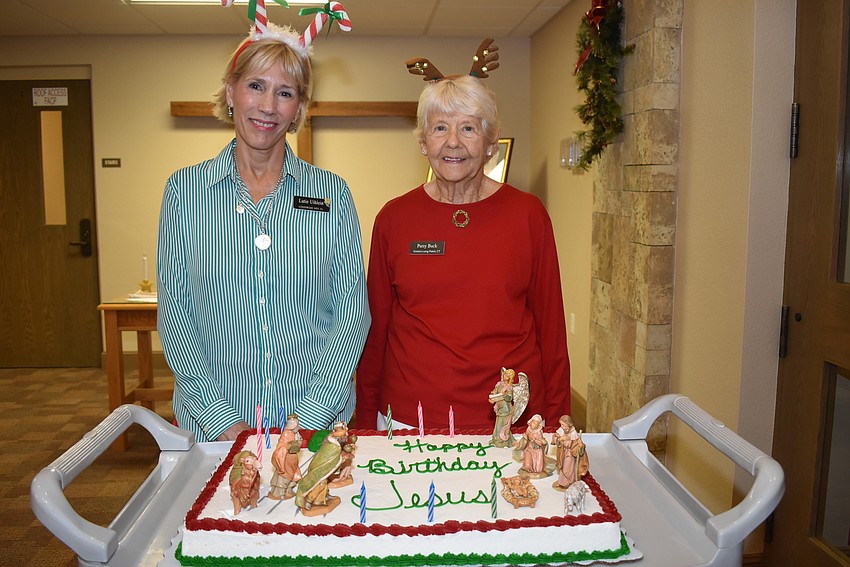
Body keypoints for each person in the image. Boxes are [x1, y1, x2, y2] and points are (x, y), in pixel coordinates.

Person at [157, 19, 370, 442]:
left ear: (298, 109)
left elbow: (351, 313)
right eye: (256, 86)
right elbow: (176, 315)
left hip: (316, 423)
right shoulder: (184, 192)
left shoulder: (331, 193)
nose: (268, 106)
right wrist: (220, 421)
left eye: (285, 93)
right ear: (231, 91)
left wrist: (310, 417)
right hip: (215, 425)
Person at [356, 42, 569, 431]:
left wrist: (556, 424)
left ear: (490, 143)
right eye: (440, 128)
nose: (453, 141)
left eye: (468, 128)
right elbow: (375, 331)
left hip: (512, 419)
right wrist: (365, 423)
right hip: (409, 418)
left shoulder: (528, 215)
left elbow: (552, 333)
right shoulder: (394, 218)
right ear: (423, 142)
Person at [552, 414, 589, 490]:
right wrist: (560, 438)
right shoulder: (561, 430)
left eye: (563, 424)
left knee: (567, 468)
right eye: (561, 424)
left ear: (568, 424)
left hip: (570, 454)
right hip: (562, 452)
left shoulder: (573, 433)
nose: (562, 426)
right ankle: (562, 482)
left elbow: (577, 446)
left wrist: (580, 445)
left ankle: (568, 482)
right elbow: (554, 438)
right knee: (562, 467)